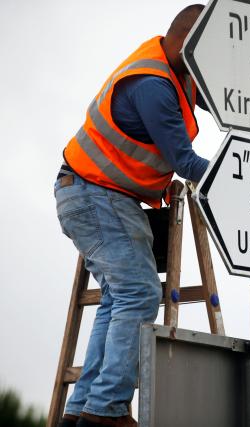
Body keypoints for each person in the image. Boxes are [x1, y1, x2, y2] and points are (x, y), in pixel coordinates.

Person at [54, 5, 207, 427]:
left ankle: (83, 411)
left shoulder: (173, 68)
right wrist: (242, 176)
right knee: (139, 293)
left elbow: (218, 99)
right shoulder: (155, 86)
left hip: (91, 195)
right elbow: (185, 162)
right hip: (96, 196)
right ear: (191, 47)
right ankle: (106, 411)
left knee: (119, 300)